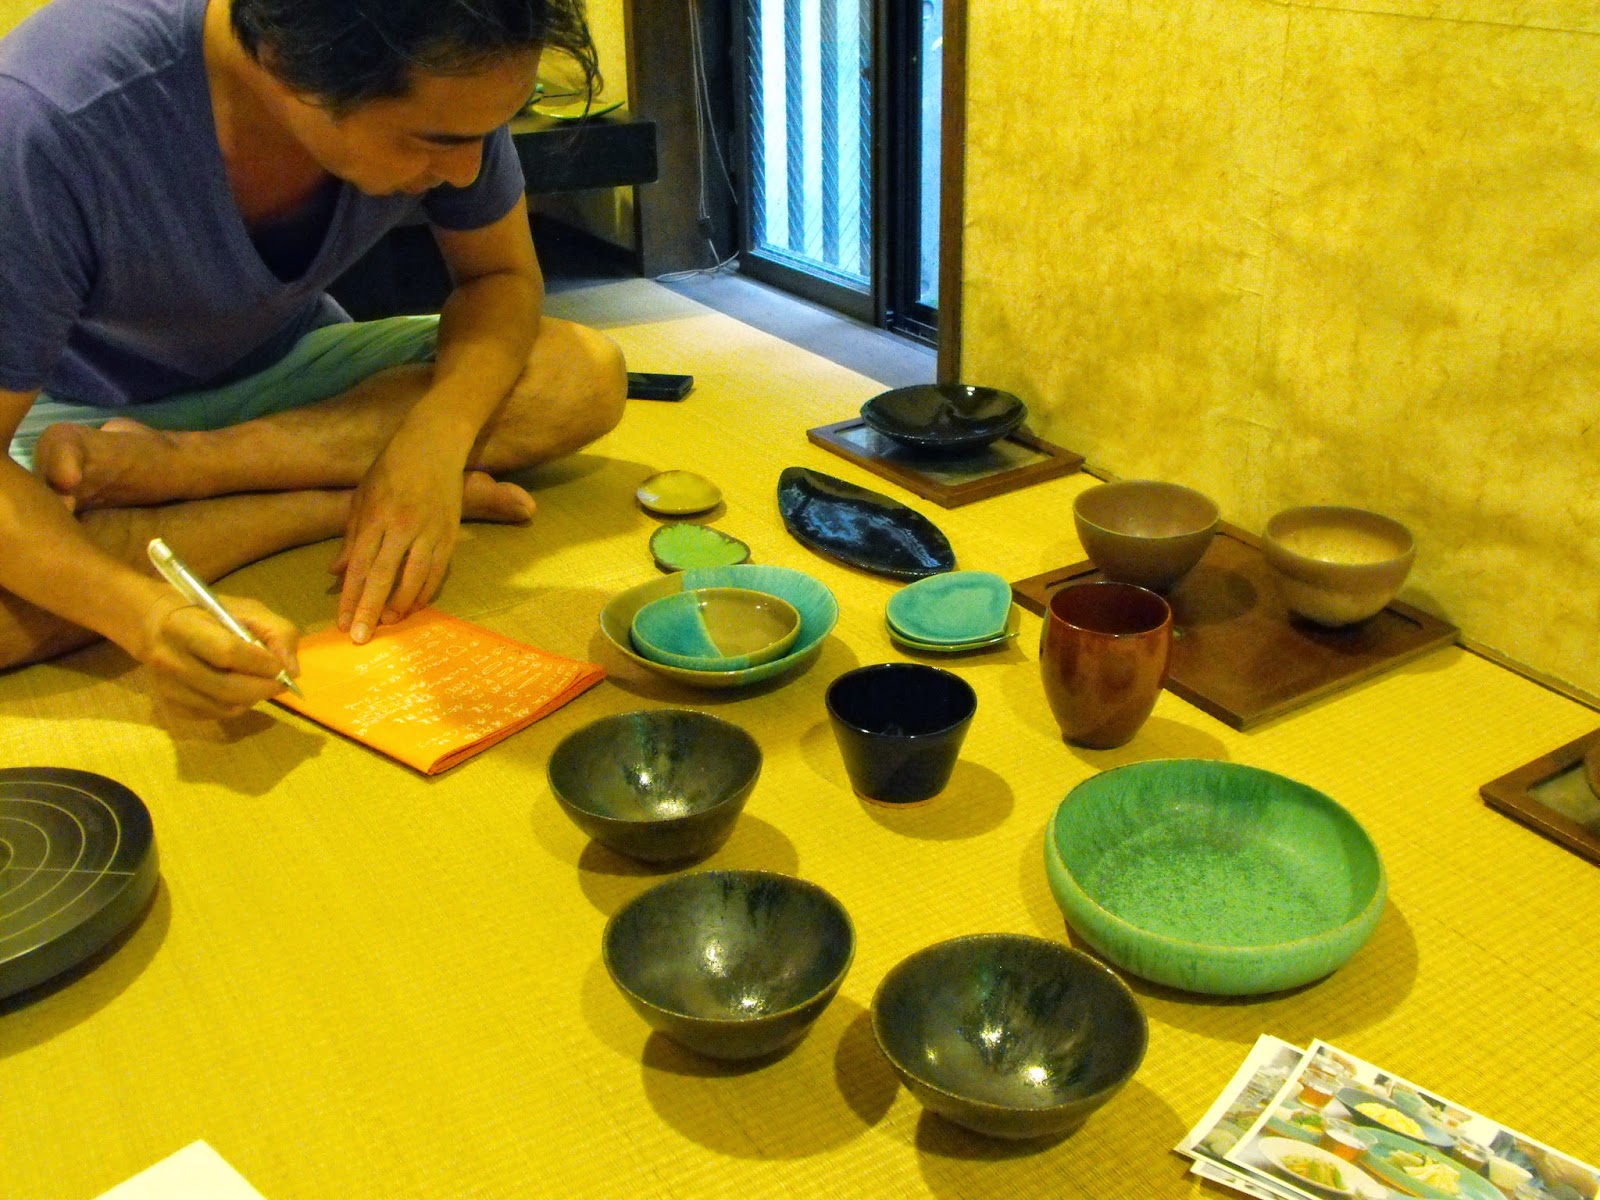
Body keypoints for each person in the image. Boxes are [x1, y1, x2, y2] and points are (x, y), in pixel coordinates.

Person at [0, 0, 627, 719]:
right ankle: (321, 505)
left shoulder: (451, 61)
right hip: (69, 412)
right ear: (288, 65)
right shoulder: (46, 120)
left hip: (292, 367)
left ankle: (181, 471)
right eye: (435, 141)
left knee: (580, 373)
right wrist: (146, 614)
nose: (466, 173)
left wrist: (433, 441)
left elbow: (502, 278)